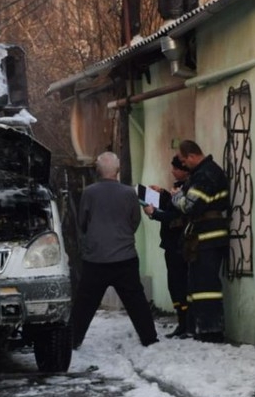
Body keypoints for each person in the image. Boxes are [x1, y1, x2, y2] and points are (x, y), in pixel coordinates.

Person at [71, 151, 159, 348]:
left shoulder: (89, 193)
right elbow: (135, 221)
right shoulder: (129, 193)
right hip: (124, 257)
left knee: (85, 302)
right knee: (136, 300)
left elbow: (82, 222)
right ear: (117, 170)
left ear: (98, 171)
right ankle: (149, 338)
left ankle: (73, 339)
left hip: (96, 258)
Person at [171, 140, 230, 343]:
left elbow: (189, 206)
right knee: (197, 285)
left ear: (192, 156)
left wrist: (175, 197)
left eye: (183, 160)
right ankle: (198, 328)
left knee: (206, 287)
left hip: (209, 238)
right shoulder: (202, 173)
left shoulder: (206, 175)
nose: (182, 165)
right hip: (202, 238)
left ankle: (210, 331)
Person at [143, 155, 191, 338]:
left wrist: (154, 213)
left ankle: (186, 323)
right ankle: (182, 323)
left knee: (180, 284)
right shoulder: (178, 188)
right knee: (174, 284)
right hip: (172, 244)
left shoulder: (188, 189)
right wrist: (162, 193)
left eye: (176, 168)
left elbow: (175, 216)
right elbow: (171, 206)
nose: (172, 171)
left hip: (180, 244)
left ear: (184, 170)